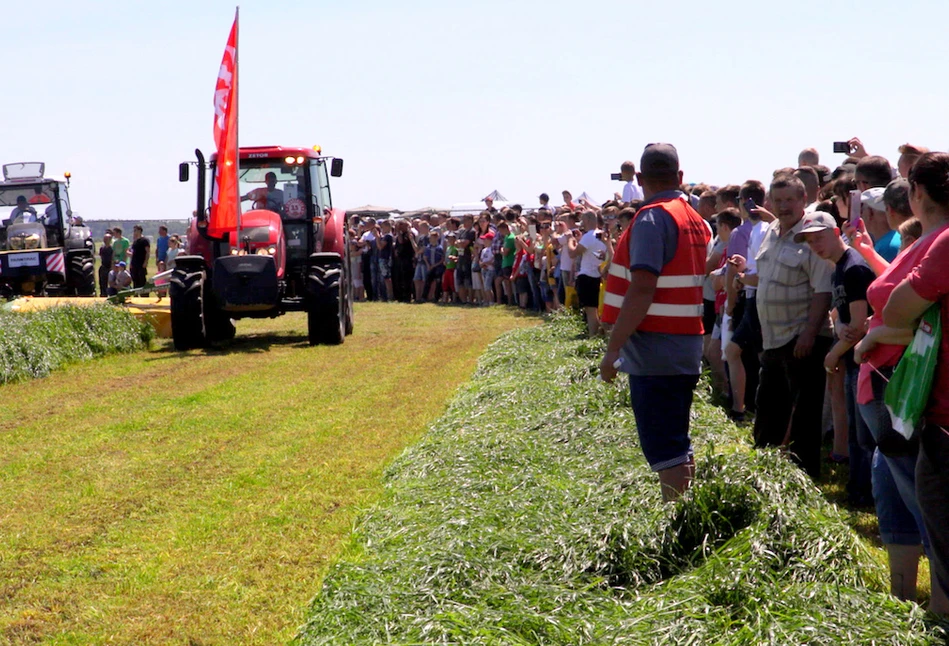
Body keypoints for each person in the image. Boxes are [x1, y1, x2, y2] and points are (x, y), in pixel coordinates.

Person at [600, 143, 710, 502]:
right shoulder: (693, 218)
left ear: (642, 179)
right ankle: (686, 511)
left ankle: (675, 521)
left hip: (656, 349)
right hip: (686, 342)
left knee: (664, 444)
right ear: (679, 176)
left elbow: (643, 286)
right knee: (678, 438)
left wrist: (613, 348)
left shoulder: (652, 217)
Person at [866, 152, 949, 612]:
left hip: (940, 413)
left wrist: (879, 329)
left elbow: (897, 307)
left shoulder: (943, 241)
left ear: (917, 193)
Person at [752, 174, 833, 479]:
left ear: (803, 200)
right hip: (773, 339)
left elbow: (822, 290)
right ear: (770, 202)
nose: (784, 206)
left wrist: (809, 334)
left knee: (804, 417)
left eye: (790, 200)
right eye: (778, 200)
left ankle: (804, 479)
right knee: (767, 410)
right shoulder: (772, 230)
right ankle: (763, 475)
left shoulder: (811, 236)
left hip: (802, 339)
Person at [798, 212, 875, 507]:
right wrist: (837, 324)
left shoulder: (854, 268)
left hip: (863, 359)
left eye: (819, 237)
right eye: (809, 240)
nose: (814, 244)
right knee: (855, 431)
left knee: (864, 435)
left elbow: (858, 326)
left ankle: (864, 493)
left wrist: (832, 353)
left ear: (834, 232)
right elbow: (840, 313)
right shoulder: (838, 269)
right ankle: (857, 489)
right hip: (852, 357)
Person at [568, 210, 607, 337]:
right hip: (597, 275)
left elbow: (573, 253)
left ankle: (593, 335)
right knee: (594, 308)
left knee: (590, 310)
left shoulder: (589, 236)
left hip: (587, 276)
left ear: (589, 220)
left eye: (583, 221)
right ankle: (595, 334)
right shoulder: (602, 235)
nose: (582, 224)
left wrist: (570, 240)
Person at [861, 188, 901, 262]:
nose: (860, 215)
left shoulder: (887, 247)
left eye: (862, 210)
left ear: (870, 213)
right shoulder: (896, 237)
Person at [98, 233, 114, 297]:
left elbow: (113, 258)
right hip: (103, 266)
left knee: (110, 282)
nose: (104, 240)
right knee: (102, 282)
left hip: (110, 267)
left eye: (106, 239)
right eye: (104, 238)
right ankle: (103, 294)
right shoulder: (102, 248)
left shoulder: (112, 249)